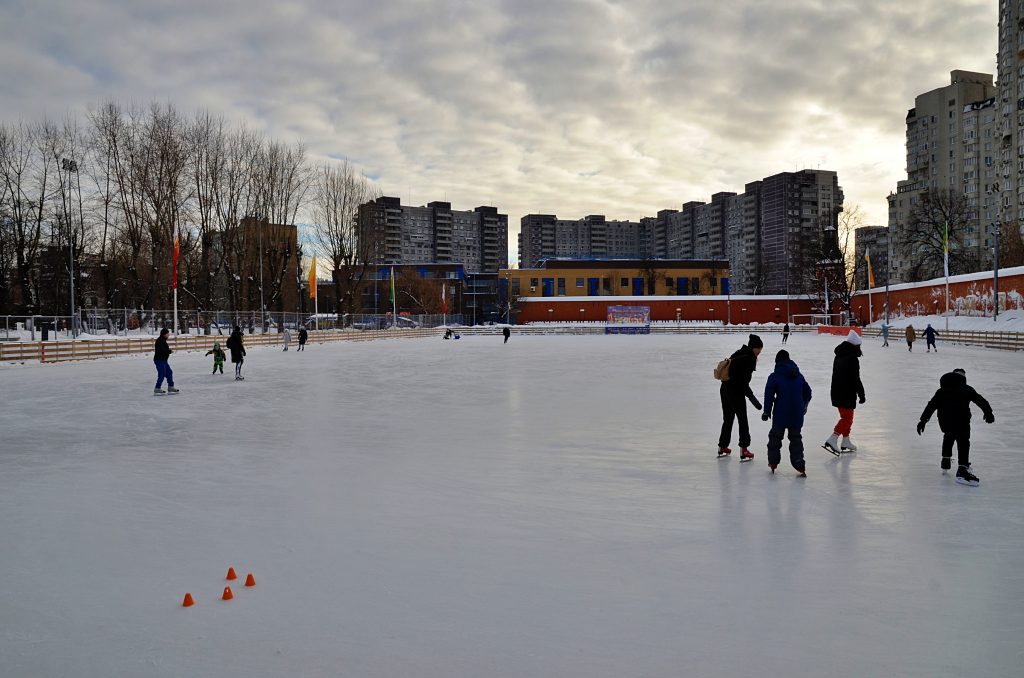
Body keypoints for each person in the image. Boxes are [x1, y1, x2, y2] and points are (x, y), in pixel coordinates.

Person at [917, 368, 994, 487]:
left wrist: (923, 420)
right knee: (963, 442)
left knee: (948, 437)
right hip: (962, 421)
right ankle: (962, 470)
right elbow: (980, 400)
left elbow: (931, 405)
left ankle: (945, 460)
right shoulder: (966, 389)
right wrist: (988, 413)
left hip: (945, 422)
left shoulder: (941, 391)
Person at [761, 349, 812, 477]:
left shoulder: (775, 376)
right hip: (796, 413)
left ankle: (773, 462)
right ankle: (799, 464)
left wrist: (766, 411)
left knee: (775, 437)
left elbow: (769, 395)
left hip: (781, 414)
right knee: (795, 438)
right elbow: (808, 392)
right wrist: (803, 405)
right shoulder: (798, 375)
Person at [717, 333, 764, 461]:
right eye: (759, 349)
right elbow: (742, 382)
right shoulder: (749, 358)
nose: (760, 351)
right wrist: (751, 397)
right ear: (753, 347)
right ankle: (744, 449)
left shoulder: (739, 352)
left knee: (728, 419)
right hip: (735, 391)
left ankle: (722, 446)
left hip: (724, 389)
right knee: (742, 419)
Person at [823, 330, 865, 455]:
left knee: (847, 417)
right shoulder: (852, 359)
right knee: (847, 419)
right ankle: (833, 438)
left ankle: (845, 440)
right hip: (846, 392)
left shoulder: (840, 355)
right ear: (855, 346)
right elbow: (855, 378)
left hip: (837, 391)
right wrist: (861, 394)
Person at [153, 328, 178, 394]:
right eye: (167, 333)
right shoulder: (160, 341)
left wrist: (168, 351)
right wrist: (169, 351)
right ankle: (157, 388)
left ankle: (170, 387)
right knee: (162, 374)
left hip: (163, 360)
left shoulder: (163, 340)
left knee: (169, 372)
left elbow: (163, 350)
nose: (169, 335)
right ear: (164, 334)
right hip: (159, 360)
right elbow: (162, 351)